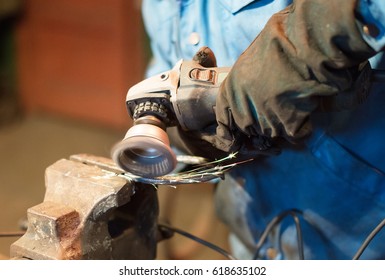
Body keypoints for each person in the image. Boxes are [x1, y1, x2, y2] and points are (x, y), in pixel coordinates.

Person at [141, 0, 385, 259]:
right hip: (252, 242)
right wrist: (183, 129)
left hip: (360, 237)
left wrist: (308, 38)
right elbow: (165, 65)